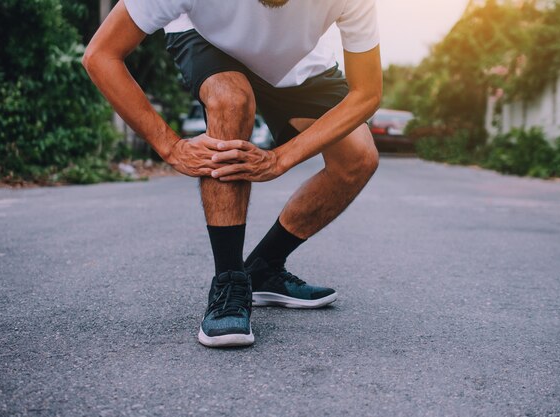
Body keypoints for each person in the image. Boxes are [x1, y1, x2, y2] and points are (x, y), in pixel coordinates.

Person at [83, 0, 382, 348]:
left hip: (297, 61)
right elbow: (101, 55)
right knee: (231, 100)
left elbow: (367, 93)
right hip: (209, 37)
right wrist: (170, 147)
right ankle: (229, 281)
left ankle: (263, 269)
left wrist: (279, 159)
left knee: (358, 159)